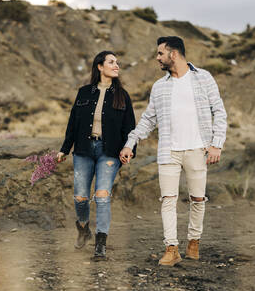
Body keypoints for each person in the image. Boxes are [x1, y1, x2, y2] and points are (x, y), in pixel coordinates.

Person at [120, 36, 227, 266]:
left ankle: (193, 242)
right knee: (168, 199)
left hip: (198, 149)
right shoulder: (160, 87)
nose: (157, 58)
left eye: (160, 53)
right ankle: (171, 247)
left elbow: (219, 111)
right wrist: (131, 142)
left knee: (198, 198)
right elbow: (148, 120)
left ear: (174, 54)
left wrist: (216, 143)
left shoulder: (203, 78)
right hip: (169, 151)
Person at [57, 51, 136, 260]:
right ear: (100, 66)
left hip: (109, 152)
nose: (116, 65)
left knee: (102, 196)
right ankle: (83, 228)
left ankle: (100, 244)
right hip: (83, 150)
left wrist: (130, 150)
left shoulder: (122, 95)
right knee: (80, 197)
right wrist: (64, 149)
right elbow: (73, 123)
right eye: (111, 62)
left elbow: (130, 127)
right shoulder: (84, 92)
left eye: (117, 62)